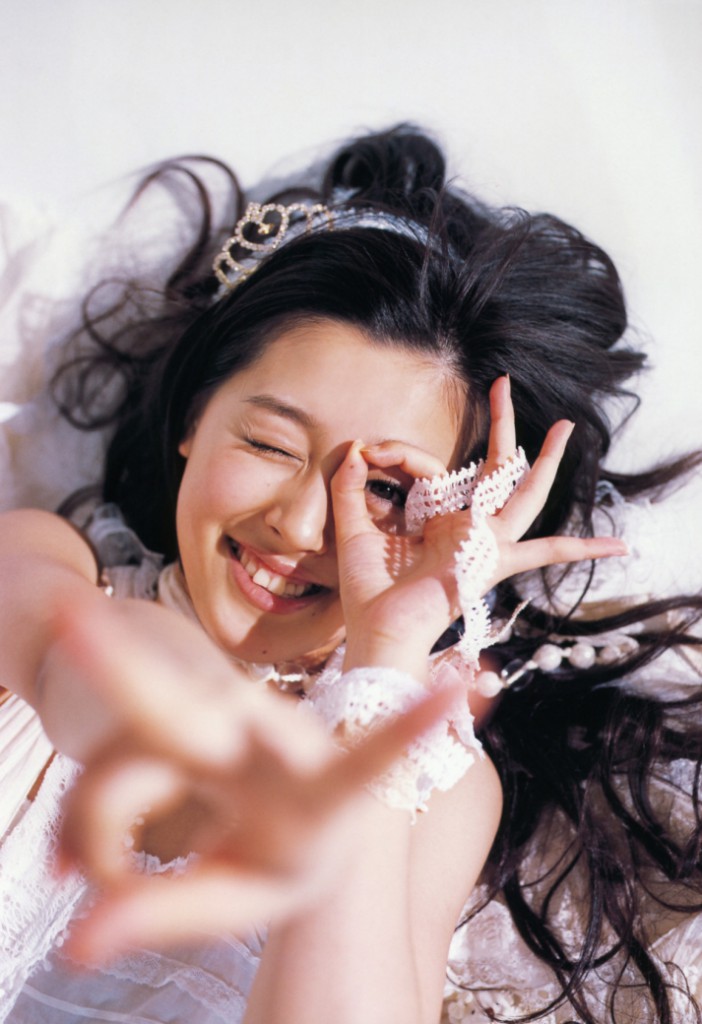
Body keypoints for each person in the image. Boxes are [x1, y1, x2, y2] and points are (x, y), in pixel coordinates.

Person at [0, 124, 700, 1024]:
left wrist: (385, 665)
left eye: (384, 488)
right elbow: (84, 661)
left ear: (456, 515)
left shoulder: (440, 791)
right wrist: (220, 751)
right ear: (193, 418)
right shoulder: (42, 559)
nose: (298, 524)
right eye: (268, 444)